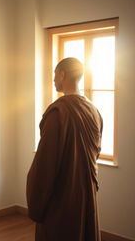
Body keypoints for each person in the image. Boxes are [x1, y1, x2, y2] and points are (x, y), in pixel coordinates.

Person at [26, 57, 103, 241]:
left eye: (54, 74)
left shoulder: (58, 111)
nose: (53, 80)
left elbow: (45, 163)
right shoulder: (94, 110)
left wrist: (36, 193)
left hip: (62, 194)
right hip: (86, 190)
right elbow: (96, 151)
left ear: (62, 74)